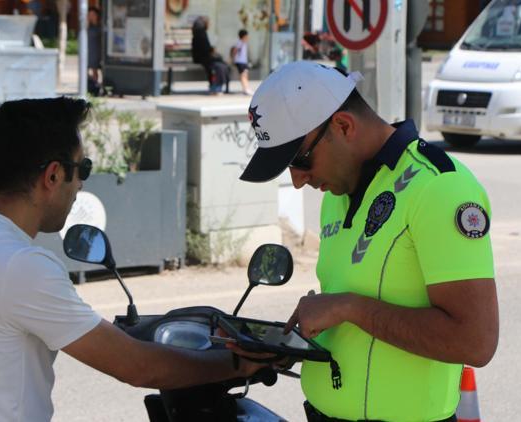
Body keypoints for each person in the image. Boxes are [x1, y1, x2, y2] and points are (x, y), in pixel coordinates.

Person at [0, 97, 267, 421]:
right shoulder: (19, 265)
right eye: (82, 169)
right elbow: (138, 367)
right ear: (53, 175)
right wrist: (238, 363)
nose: (82, 184)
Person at [235, 61, 498, 421]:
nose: (297, 181)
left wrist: (350, 308)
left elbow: (475, 341)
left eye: (300, 160)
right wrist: (291, 343)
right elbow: (361, 323)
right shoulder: (337, 192)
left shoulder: (439, 187)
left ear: (343, 125)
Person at [191, 16, 229, 94]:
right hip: (203, 58)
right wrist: (212, 50)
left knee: (220, 63)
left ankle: (216, 86)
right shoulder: (201, 33)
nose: (209, 25)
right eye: (208, 23)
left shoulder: (198, 32)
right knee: (221, 64)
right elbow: (205, 48)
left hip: (202, 57)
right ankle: (217, 87)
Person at [231, 29, 252, 95]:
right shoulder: (239, 42)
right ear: (244, 36)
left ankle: (247, 88)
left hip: (243, 61)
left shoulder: (244, 43)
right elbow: (235, 50)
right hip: (240, 61)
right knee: (243, 75)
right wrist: (233, 59)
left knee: (245, 74)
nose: (248, 37)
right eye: (247, 36)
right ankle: (245, 89)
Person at [87, 6, 102, 96]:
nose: (91, 16)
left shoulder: (99, 26)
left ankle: (96, 87)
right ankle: (92, 87)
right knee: (89, 70)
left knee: (95, 69)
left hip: (97, 50)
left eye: (93, 14)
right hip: (89, 50)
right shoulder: (87, 26)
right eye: (89, 15)